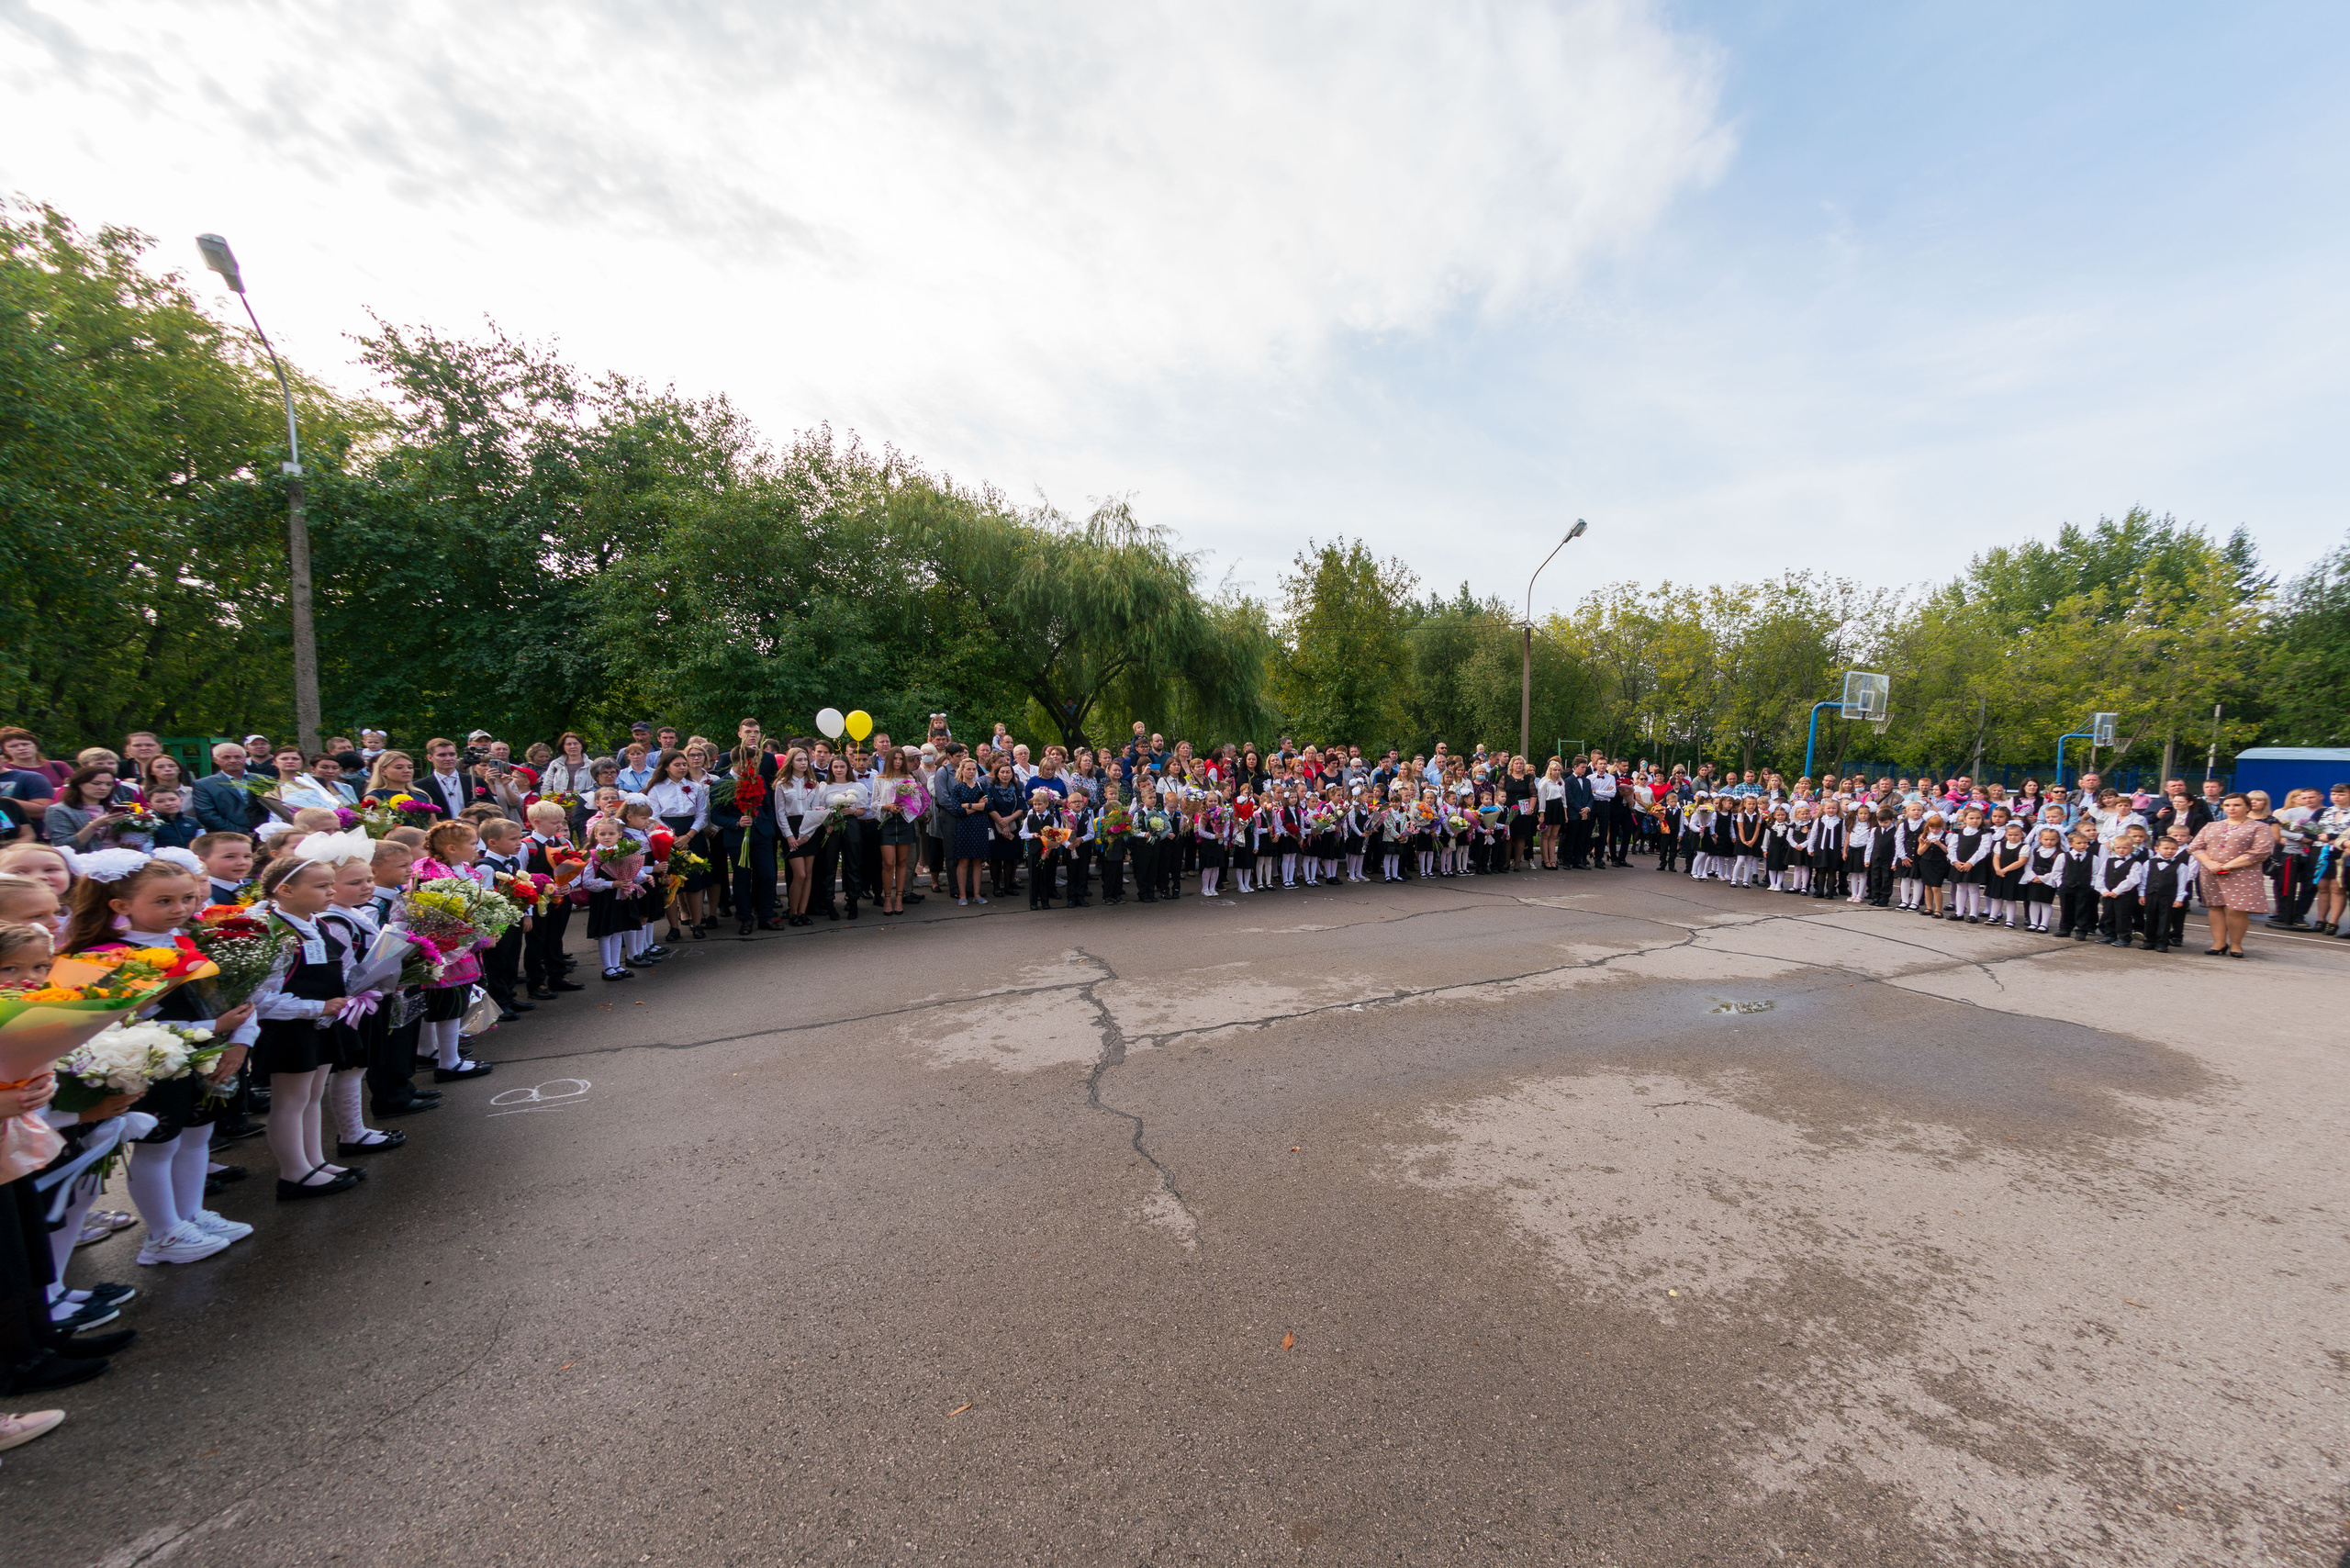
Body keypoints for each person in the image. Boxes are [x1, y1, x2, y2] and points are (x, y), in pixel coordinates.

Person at [2188, 793, 2276, 959]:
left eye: (2236, 805)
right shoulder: (2211, 825)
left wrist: (2228, 866)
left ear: (2247, 807)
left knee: (2236, 908)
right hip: (2211, 871)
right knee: (2216, 906)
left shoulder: (2260, 827)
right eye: (2227, 805)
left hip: (2242, 871)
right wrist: (2209, 862)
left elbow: (2261, 851)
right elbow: (2195, 847)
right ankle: (2219, 943)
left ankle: (2236, 945)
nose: (2231, 809)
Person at [190, 742, 269, 836]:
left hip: (266, 834)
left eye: (238, 757)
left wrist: (264, 830)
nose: (233, 760)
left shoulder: (265, 780)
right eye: (226, 757)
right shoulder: (203, 785)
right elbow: (206, 815)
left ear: (245, 758)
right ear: (216, 760)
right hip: (227, 837)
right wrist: (242, 832)